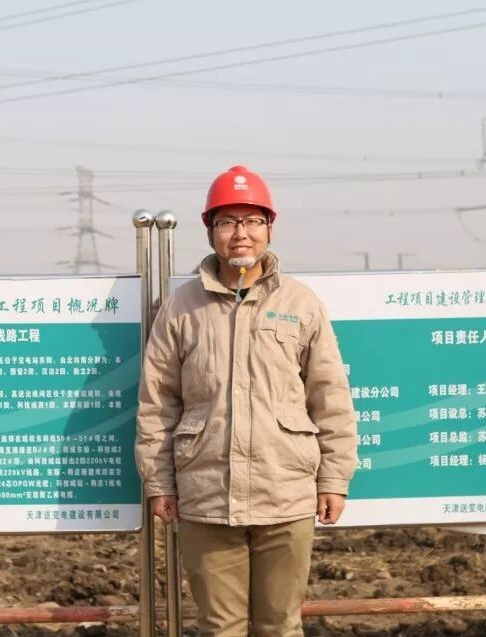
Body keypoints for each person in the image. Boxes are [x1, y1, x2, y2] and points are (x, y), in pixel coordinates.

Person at [135, 165, 358, 636]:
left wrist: (334, 479)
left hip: (286, 492)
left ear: (270, 228)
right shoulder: (181, 308)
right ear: (210, 231)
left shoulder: (301, 304)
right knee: (220, 627)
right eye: (228, 221)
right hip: (207, 496)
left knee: (280, 625)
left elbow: (330, 397)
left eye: (253, 220)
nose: (241, 233)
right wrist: (159, 482)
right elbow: (158, 401)